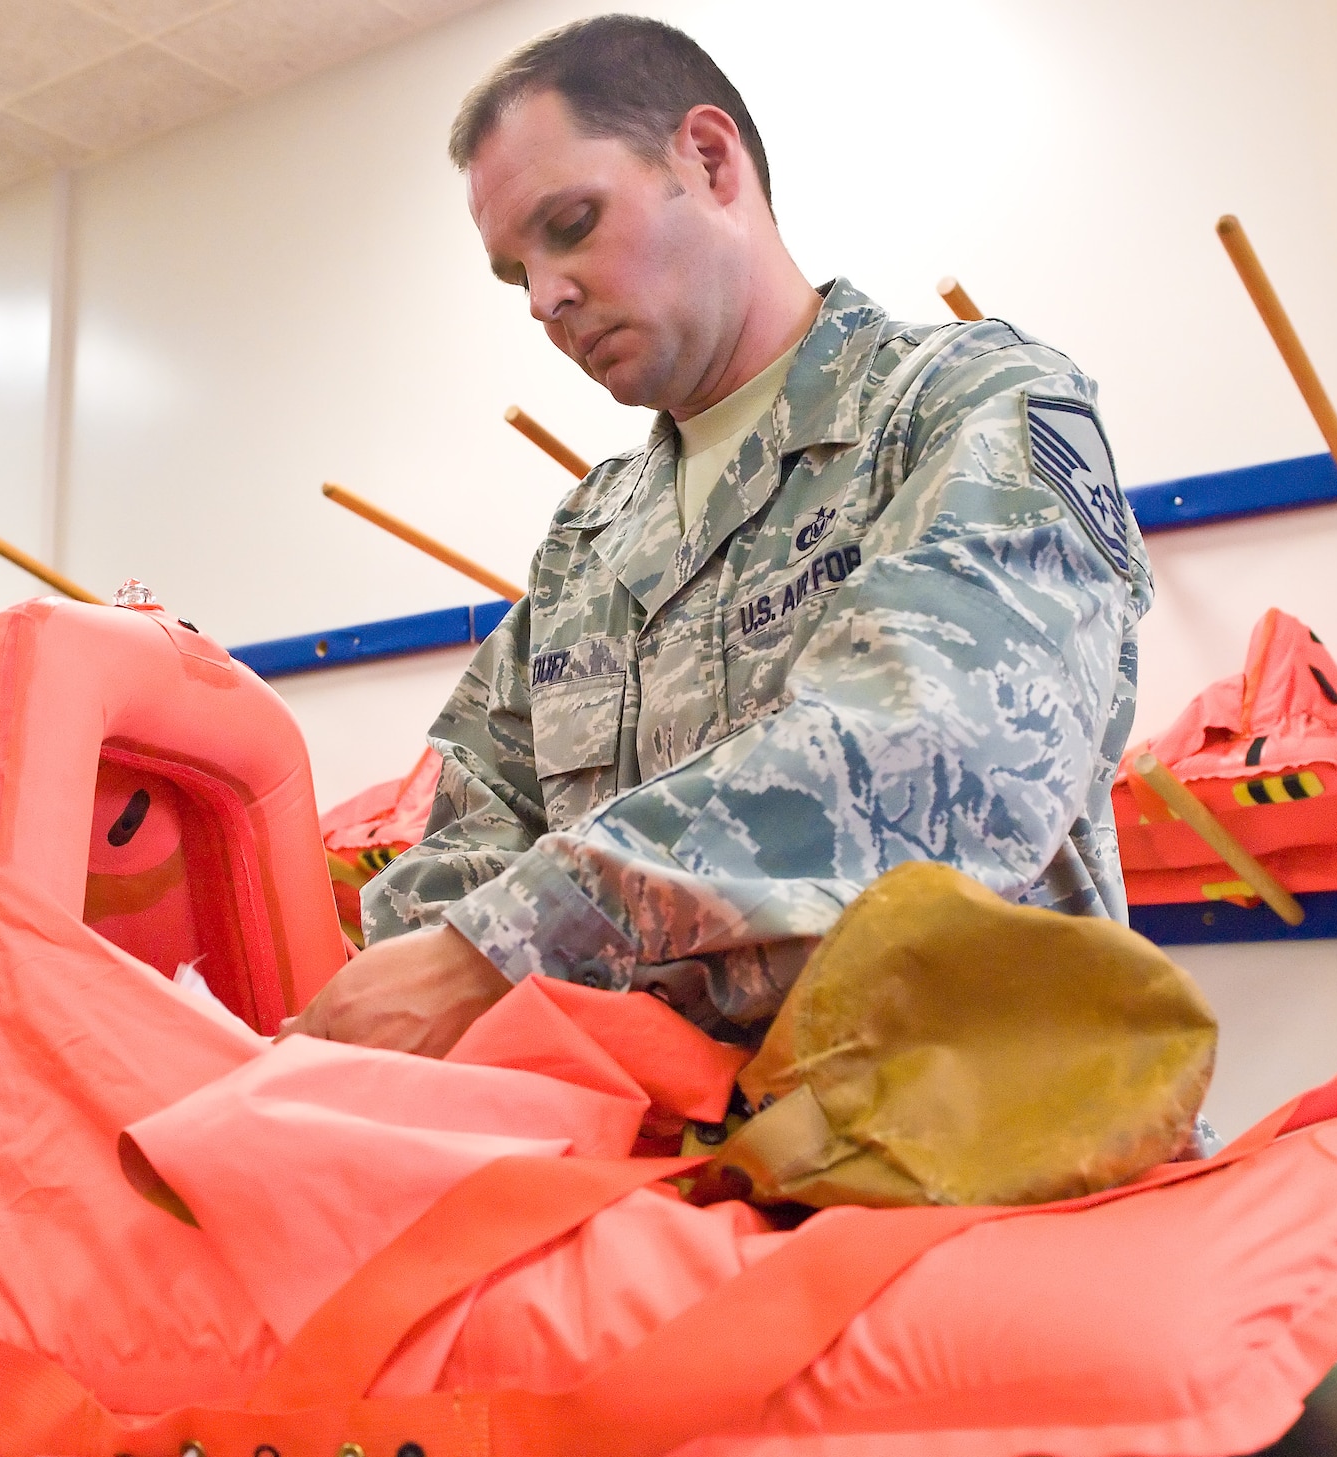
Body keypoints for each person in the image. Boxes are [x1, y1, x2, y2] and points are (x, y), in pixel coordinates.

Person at [288, 14, 1152, 1056]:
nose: (545, 299)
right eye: (516, 274)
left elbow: (938, 755)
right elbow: (472, 831)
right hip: (648, 1167)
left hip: (964, 1150)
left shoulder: (964, 403)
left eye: (568, 224)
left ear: (706, 159)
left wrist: (500, 951)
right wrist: (405, 984)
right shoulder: (586, 539)